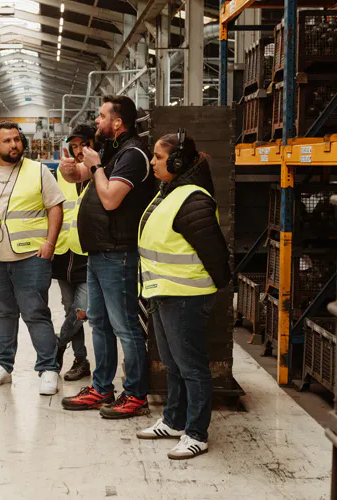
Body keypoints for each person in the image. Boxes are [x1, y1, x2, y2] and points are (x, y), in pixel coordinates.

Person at [60, 95, 156, 419]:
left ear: (117, 122)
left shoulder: (132, 155)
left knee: (125, 326)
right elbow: (82, 178)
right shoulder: (111, 151)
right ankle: (102, 387)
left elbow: (111, 199)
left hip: (119, 254)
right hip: (98, 253)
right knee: (98, 323)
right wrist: (70, 169)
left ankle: (136, 394)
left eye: (102, 116)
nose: (97, 121)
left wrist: (96, 165)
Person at [135, 132, 230, 459]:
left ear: (176, 162)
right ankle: (174, 420)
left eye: (158, 158)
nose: (152, 163)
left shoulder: (193, 198)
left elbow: (216, 254)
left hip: (184, 295)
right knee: (173, 364)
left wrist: (206, 290)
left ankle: (196, 433)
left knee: (192, 367)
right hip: (162, 292)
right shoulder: (169, 191)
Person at [0, 121, 65, 396]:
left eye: (17, 140)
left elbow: (55, 208)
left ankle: (48, 368)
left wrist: (50, 243)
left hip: (31, 256)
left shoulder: (39, 172)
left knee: (35, 313)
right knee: (3, 312)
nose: (14, 145)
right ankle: (3, 366)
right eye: (7, 141)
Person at [53, 124, 96, 382]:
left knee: (81, 310)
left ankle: (57, 347)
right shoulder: (62, 174)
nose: (79, 151)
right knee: (70, 308)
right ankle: (81, 360)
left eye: (84, 145)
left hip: (88, 252)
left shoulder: (100, 171)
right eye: (75, 146)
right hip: (63, 251)